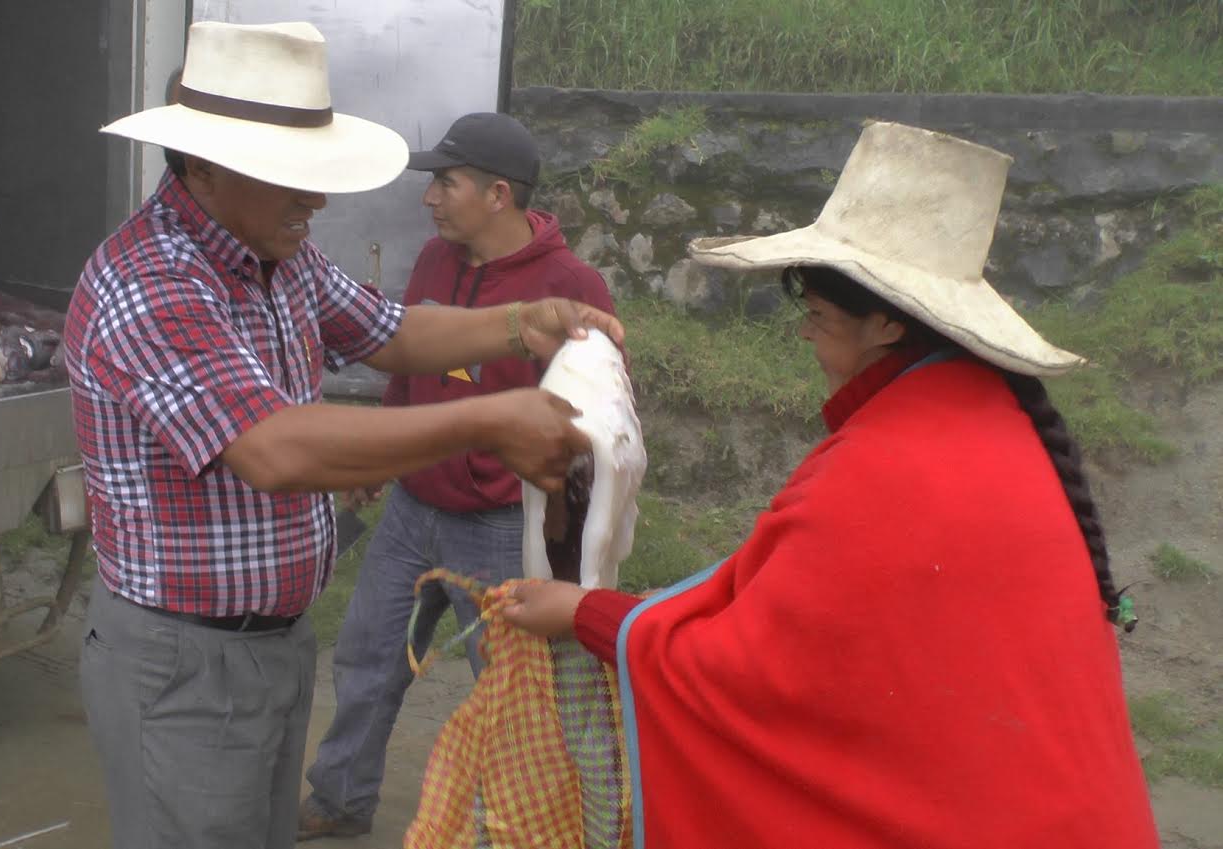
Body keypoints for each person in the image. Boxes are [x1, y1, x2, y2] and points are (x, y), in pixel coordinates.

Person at [502, 122, 1158, 848]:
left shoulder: (883, 466)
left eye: (816, 316)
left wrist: (592, 616)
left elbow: (749, 672)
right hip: (1066, 809)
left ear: (882, 323)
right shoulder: (988, 422)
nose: (806, 336)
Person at [64, 21, 624, 849]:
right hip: (183, 661)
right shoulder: (152, 280)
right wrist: (488, 419)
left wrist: (523, 322)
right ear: (205, 168)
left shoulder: (276, 253)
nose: (315, 202)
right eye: (292, 179)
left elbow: (391, 331)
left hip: (268, 644)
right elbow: (274, 450)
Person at [298, 112, 616, 841]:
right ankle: (341, 798)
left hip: (502, 526)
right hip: (414, 509)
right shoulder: (435, 261)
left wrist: (564, 535)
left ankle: (514, 828)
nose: (429, 198)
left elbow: (591, 424)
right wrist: (383, 458)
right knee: (367, 654)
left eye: (445, 183)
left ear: (498, 194)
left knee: (509, 688)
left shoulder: (569, 285)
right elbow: (406, 358)